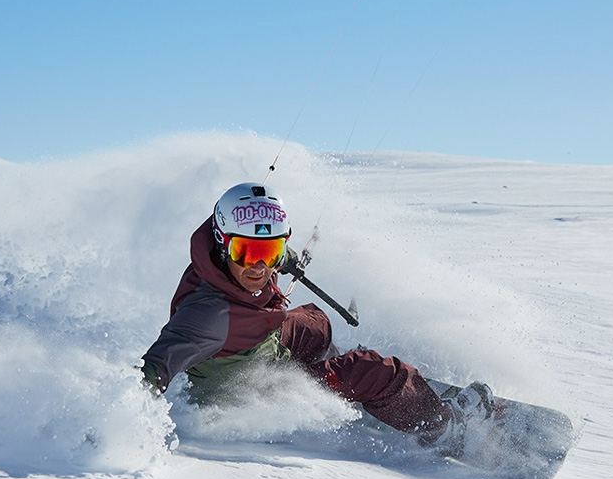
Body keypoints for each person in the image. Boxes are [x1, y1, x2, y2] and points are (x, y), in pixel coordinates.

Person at [141, 182, 493, 452]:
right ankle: (445, 428)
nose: (260, 266)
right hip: (255, 388)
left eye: (271, 250)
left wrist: (286, 257)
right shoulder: (207, 316)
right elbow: (154, 368)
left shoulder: (229, 258)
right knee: (372, 370)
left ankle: (338, 377)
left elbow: (264, 249)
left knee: (315, 322)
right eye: (246, 252)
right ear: (222, 241)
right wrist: (120, 418)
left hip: (261, 344)